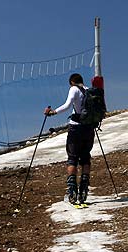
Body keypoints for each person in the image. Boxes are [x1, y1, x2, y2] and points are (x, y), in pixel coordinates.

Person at [44, 73, 95, 204]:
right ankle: (84, 189)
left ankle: (72, 192)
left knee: (72, 158)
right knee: (85, 157)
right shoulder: (90, 90)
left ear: (72, 82)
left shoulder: (74, 89)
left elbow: (67, 105)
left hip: (76, 128)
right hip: (89, 128)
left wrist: (53, 112)